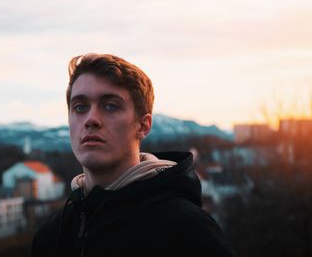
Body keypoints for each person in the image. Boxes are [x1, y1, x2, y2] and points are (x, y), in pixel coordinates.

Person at [31, 53, 234, 257]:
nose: (91, 119)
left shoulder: (187, 230)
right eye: (80, 107)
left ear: (143, 126)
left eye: (110, 105)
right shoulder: (52, 235)